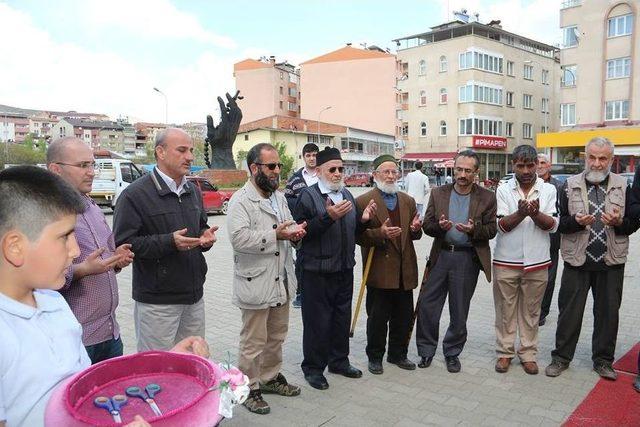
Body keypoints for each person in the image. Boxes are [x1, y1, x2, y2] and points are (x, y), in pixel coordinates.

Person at [0, 166, 208, 427]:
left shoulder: (53, 303)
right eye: (64, 237)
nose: (75, 251)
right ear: (15, 247)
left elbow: (85, 390)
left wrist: (167, 363)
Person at [113, 128, 217, 352]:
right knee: (157, 369)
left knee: (193, 363)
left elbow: (200, 227)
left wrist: (205, 237)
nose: (190, 157)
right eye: (182, 150)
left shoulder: (193, 191)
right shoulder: (134, 195)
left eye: (191, 150)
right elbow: (124, 244)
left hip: (194, 297)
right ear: (160, 152)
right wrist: (169, 242)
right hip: (157, 304)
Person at [546, 137, 638, 380]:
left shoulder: (622, 185)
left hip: (611, 261)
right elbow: (559, 223)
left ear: (611, 159)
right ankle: (561, 357)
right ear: (585, 157)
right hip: (577, 260)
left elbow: (633, 223)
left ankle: (603, 361)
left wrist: (620, 223)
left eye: (603, 158)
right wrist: (574, 223)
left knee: (608, 314)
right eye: (592, 157)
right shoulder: (568, 184)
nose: (597, 163)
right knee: (569, 313)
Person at [227, 143, 307, 414]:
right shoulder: (241, 200)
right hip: (256, 281)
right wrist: (277, 235)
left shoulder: (279, 197)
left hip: (281, 278)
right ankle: (247, 388)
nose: (276, 172)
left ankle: (271, 377)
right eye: (271, 166)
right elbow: (238, 239)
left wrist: (295, 232)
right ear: (254, 168)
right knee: (253, 340)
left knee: (276, 335)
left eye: (279, 166)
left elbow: (287, 224)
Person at [293, 147, 377, 390]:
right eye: (333, 169)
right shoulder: (308, 197)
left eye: (340, 169)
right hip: (316, 271)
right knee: (317, 322)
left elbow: (354, 232)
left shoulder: (348, 195)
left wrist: (364, 220)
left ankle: (339, 361)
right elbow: (301, 233)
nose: (338, 173)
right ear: (319, 171)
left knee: (341, 319)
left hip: (343, 269)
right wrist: (327, 217)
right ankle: (313, 368)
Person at [46, 137, 134, 364]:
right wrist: (83, 269)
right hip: (77, 340)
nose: (92, 172)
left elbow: (103, 260)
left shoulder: (93, 208)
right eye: (83, 166)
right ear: (56, 170)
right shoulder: (45, 215)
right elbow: (43, 281)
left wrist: (115, 260)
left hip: (111, 332)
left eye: (92, 164)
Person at [415, 150, 497, 373]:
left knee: (459, 310)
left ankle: (452, 352)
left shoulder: (487, 197)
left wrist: (474, 229)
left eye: (467, 171)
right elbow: (427, 225)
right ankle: (425, 351)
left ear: (475, 173)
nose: (461, 174)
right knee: (428, 306)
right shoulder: (438, 193)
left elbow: (492, 229)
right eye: (458, 169)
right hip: (441, 256)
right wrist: (438, 227)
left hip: (466, 259)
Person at [493, 145, 557, 375]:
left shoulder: (548, 190)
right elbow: (501, 226)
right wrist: (522, 213)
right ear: (513, 166)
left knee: (531, 312)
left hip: (538, 262)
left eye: (531, 165)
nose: (527, 170)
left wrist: (535, 214)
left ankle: (528, 354)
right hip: (505, 261)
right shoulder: (502, 189)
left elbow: (552, 225)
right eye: (521, 165)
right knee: (505, 311)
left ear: (537, 165)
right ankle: (504, 353)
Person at [355, 155, 423, 375]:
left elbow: (415, 235)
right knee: (377, 318)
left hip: (404, 269)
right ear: (375, 175)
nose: (392, 176)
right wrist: (379, 233)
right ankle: (375, 357)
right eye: (386, 172)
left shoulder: (407, 200)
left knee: (403, 317)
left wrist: (415, 230)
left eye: (395, 172)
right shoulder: (364, 201)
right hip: (380, 269)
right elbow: (358, 237)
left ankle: (398, 354)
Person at [284, 143, 319, 308]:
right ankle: (300, 293)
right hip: (301, 225)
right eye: (308, 155)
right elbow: (287, 199)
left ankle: (317, 291)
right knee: (301, 259)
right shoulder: (295, 178)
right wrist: (303, 202)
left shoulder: (324, 174)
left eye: (314, 155)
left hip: (322, 224)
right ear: (304, 157)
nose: (312, 158)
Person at [536, 153, 563, 327]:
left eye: (543, 162)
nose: (540, 165)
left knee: (549, 279)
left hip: (552, 240)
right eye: (537, 162)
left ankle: (541, 313)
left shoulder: (560, 187)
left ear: (549, 165)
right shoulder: (528, 184)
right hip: (532, 238)